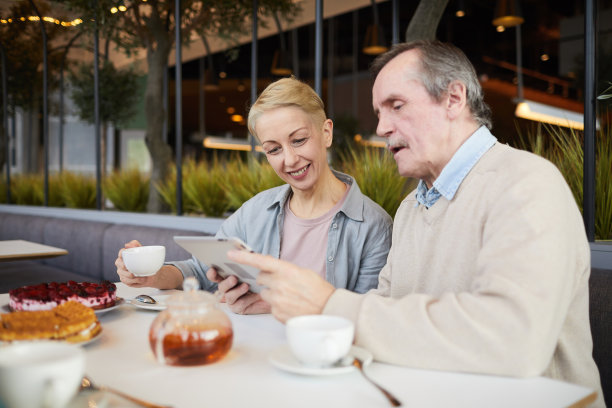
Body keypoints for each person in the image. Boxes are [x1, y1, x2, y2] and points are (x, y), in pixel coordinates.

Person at [225, 41, 604, 405]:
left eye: (396, 106)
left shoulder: (526, 183)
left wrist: (328, 304)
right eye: (379, 113)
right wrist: (292, 307)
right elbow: (383, 309)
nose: (382, 128)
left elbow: (514, 341)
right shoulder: (410, 208)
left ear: (454, 98)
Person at [115, 77, 393, 315]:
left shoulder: (373, 225)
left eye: (299, 140)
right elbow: (200, 271)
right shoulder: (256, 211)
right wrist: (154, 275)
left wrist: (273, 304)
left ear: (326, 133)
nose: (290, 159)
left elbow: (366, 315)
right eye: (273, 150)